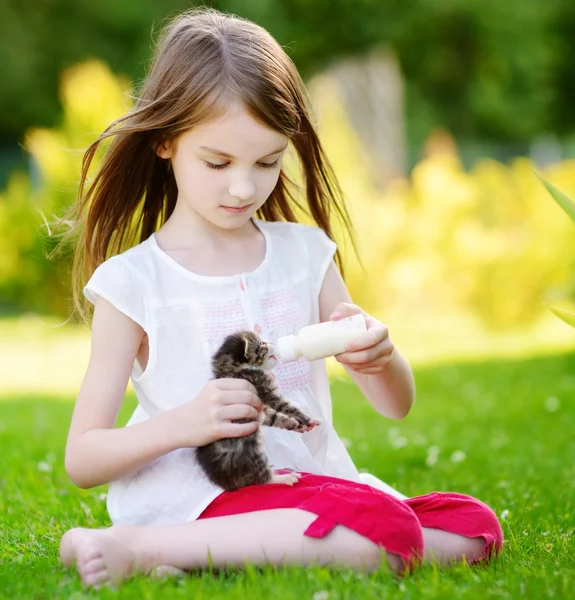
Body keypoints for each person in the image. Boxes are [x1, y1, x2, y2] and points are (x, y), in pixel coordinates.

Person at [57, 7, 503, 589]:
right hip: (201, 497)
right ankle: (147, 544)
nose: (244, 187)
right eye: (217, 163)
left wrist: (381, 357)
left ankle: (188, 555)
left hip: (304, 487)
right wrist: (185, 423)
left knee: (475, 527)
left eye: (267, 162)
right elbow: (83, 459)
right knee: (390, 537)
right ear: (166, 142)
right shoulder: (135, 282)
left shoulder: (304, 255)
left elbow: (395, 405)